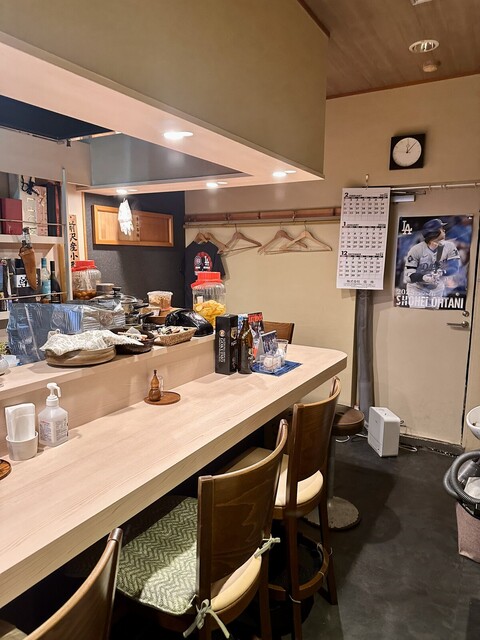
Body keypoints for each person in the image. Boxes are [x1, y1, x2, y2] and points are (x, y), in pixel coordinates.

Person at [403, 218, 460, 309]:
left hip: (437, 287)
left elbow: (455, 267)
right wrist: (423, 277)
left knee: (433, 315)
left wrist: (442, 272)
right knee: (418, 314)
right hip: (417, 288)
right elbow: (408, 276)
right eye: (441, 228)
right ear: (434, 233)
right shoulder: (416, 250)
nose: (444, 230)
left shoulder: (449, 246)